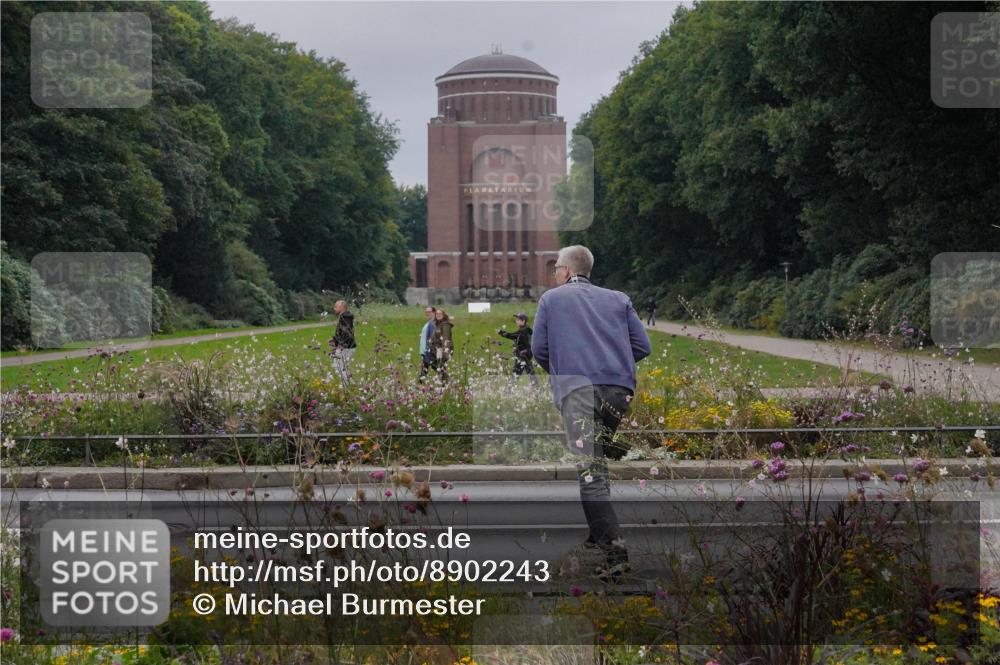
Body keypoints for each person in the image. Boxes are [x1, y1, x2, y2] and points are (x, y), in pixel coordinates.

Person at [532, 245, 652, 578]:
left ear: (567, 271)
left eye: (556, 267)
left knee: (591, 476)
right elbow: (643, 346)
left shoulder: (551, 300)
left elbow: (538, 349)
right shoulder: (618, 299)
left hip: (579, 393)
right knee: (596, 467)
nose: (555, 273)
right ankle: (597, 534)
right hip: (618, 394)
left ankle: (616, 556)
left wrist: (561, 371)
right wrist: (615, 366)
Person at [497, 312, 537, 383]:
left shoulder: (524, 330)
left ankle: (510, 389)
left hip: (523, 355)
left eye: (518, 319)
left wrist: (502, 333)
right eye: (516, 319)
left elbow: (513, 336)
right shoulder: (525, 330)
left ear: (523, 321)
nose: (516, 321)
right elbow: (516, 337)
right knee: (530, 372)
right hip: (525, 354)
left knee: (517, 373)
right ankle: (537, 388)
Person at [329, 300, 356, 386]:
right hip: (347, 346)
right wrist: (334, 339)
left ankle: (347, 387)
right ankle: (352, 385)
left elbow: (345, 334)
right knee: (343, 367)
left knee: (338, 367)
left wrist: (336, 341)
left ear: (341, 307)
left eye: (336, 306)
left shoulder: (345, 318)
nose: (334, 308)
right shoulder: (345, 317)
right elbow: (343, 332)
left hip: (346, 347)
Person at [429, 308, 454, 381]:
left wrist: (445, 351)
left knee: (440, 366)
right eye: (437, 314)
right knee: (438, 366)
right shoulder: (437, 325)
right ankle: (445, 381)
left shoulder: (446, 325)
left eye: (440, 314)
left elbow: (446, 339)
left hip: (442, 349)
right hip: (437, 349)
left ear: (444, 315)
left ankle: (446, 382)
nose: (438, 315)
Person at [418, 306, 437, 381]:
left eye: (429, 312)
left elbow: (433, 337)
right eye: (426, 312)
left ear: (434, 312)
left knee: (435, 367)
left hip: (429, 351)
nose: (427, 313)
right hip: (425, 350)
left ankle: (446, 380)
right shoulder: (429, 323)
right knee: (426, 368)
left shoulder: (432, 323)